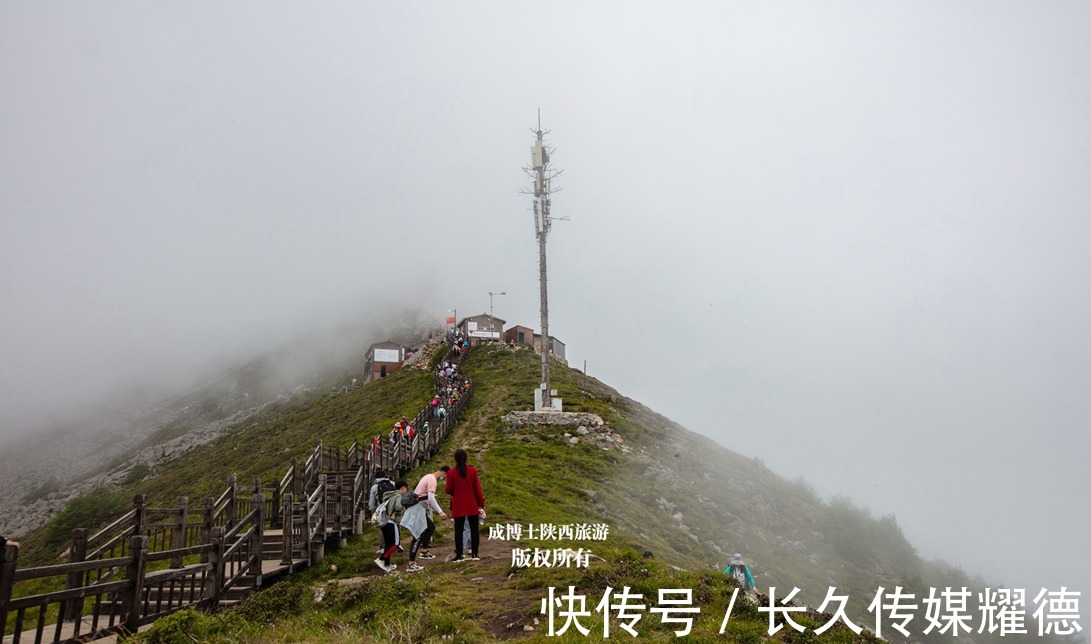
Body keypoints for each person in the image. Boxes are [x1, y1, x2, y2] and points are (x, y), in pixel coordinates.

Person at [405, 466, 449, 570]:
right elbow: (431, 497)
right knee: (418, 535)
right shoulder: (432, 480)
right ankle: (411, 563)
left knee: (430, 527)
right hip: (418, 509)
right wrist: (440, 511)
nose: (445, 479)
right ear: (443, 472)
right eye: (446, 476)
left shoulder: (428, 477)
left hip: (419, 508)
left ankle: (424, 550)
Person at [444, 449, 485, 561]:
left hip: (458, 505)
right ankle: (475, 554)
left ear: (455, 459)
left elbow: (448, 490)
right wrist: (481, 504)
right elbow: (478, 490)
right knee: (474, 530)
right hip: (472, 505)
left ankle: (459, 555)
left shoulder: (451, 472)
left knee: (459, 530)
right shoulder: (473, 471)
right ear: (466, 458)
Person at [374, 480, 409, 573]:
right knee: (395, 544)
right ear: (403, 488)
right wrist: (402, 511)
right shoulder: (398, 496)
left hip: (384, 522)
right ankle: (381, 559)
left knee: (388, 544)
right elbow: (397, 507)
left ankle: (387, 564)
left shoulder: (389, 495)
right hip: (392, 522)